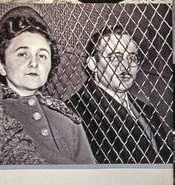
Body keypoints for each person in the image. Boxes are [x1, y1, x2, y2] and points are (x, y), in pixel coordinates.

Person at [0, 7, 96, 165]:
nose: (34, 63)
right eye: (22, 54)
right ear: (1, 66)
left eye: (42, 56)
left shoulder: (68, 121)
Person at [68, 26, 168, 164]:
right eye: (115, 57)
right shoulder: (75, 112)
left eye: (132, 58)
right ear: (92, 64)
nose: (126, 66)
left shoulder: (147, 110)